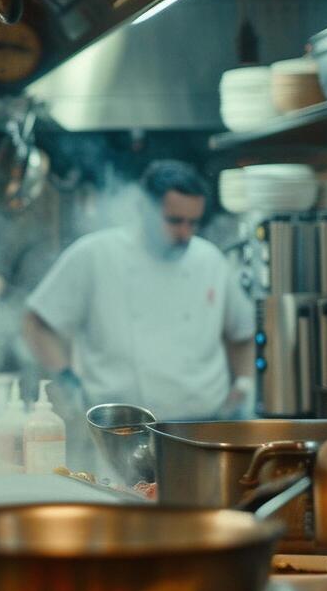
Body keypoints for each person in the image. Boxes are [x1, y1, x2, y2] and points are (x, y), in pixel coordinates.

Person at [21, 159, 254, 420]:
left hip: (204, 426)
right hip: (121, 429)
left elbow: (242, 333)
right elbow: (36, 323)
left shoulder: (210, 261)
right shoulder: (96, 255)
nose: (185, 233)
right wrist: (67, 378)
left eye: (193, 222)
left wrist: (244, 384)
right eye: (175, 221)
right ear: (144, 209)